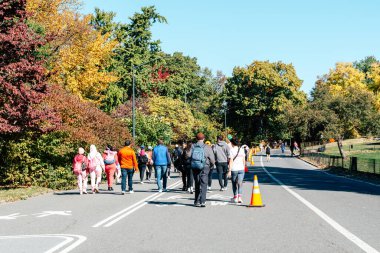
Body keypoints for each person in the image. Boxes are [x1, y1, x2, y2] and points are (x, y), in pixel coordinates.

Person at [191, 133, 215, 207]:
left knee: (197, 183)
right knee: (204, 184)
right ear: (204, 139)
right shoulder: (207, 147)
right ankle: (203, 201)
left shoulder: (193, 146)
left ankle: (196, 201)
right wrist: (211, 165)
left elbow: (189, 156)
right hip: (205, 166)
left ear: (196, 139)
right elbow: (212, 159)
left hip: (195, 166)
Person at [228, 137, 245, 204]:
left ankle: (235, 197)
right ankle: (240, 197)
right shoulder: (241, 149)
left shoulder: (231, 150)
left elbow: (231, 161)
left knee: (234, 183)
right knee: (240, 183)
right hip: (241, 169)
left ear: (232, 143)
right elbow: (244, 159)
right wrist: (243, 167)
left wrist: (229, 171)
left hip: (234, 169)